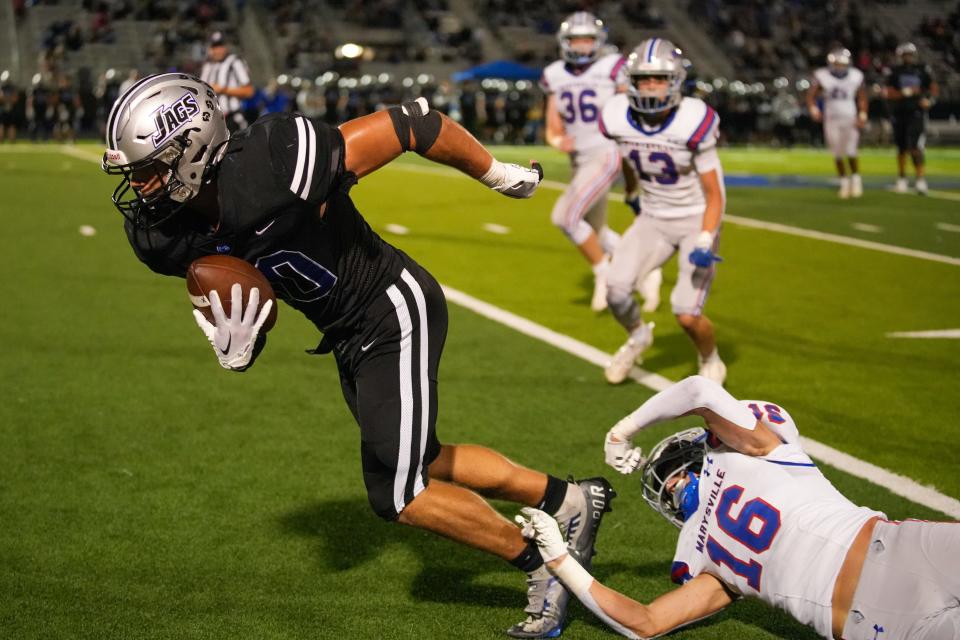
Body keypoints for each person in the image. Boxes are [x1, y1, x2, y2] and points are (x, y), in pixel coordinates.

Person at [100, 73, 616, 639]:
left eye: (150, 170)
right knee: (423, 457)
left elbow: (413, 123)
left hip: (391, 306)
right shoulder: (161, 236)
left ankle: (545, 564)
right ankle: (568, 499)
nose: (142, 189)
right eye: (134, 175)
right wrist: (239, 343)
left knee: (398, 492)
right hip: (347, 333)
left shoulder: (272, 160)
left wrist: (495, 173)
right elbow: (237, 286)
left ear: (194, 146)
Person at [517, 374, 960, 639]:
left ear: (701, 452)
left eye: (676, 479)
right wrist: (558, 556)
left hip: (898, 548)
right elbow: (645, 623)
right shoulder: (704, 559)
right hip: (871, 618)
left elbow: (699, 389)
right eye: (668, 492)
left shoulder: (749, 452)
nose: (676, 492)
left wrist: (622, 431)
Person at [597, 39, 727, 386]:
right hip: (653, 217)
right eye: (644, 79)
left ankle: (710, 357)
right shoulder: (616, 115)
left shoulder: (692, 119)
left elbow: (715, 194)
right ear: (632, 80)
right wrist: (630, 191)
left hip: (695, 219)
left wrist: (705, 237)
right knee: (616, 289)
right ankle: (639, 336)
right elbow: (627, 156)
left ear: (675, 81)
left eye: (659, 79)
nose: (651, 86)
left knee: (686, 314)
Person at [540, 12, 661, 313]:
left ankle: (604, 273)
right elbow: (552, 126)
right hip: (579, 159)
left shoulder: (612, 67)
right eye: (575, 40)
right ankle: (647, 270)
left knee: (564, 217)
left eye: (587, 40)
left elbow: (629, 110)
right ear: (564, 42)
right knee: (598, 231)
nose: (581, 46)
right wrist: (557, 141)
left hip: (606, 152)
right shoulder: (555, 73)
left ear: (598, 42)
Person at [807, 47, 868, 199]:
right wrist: (814, 109)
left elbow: (862, 97)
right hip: (831, 118)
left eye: (842, 63)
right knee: (837, 152)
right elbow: (811, 96)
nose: (839, 67)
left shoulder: (855, 76)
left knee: (851, 150)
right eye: (837, 63)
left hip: (850, 117)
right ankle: (844, 182)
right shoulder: (822, 75)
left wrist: (862, 113)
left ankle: (856, 179)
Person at [884, 42, 938, 196]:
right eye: (905, 54)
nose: (908, 57)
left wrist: (930, 100)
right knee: (901, 147)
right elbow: (888, 92)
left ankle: (920, 180)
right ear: (900, 56)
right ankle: (902, 178)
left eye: (910, 54)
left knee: (915, 146)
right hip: (899, 112)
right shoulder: (894, 71)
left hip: (917, 113)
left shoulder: (922, 70)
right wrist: (906, 92)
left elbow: (933, 89)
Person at [200, 31, 255, 133]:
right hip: (211, 121)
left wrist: (224, 90)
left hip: (232, 119)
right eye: (215, 46)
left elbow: (249, 91)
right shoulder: (207, 66)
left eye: (221, 46)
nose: (218, 50)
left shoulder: (234, 62)